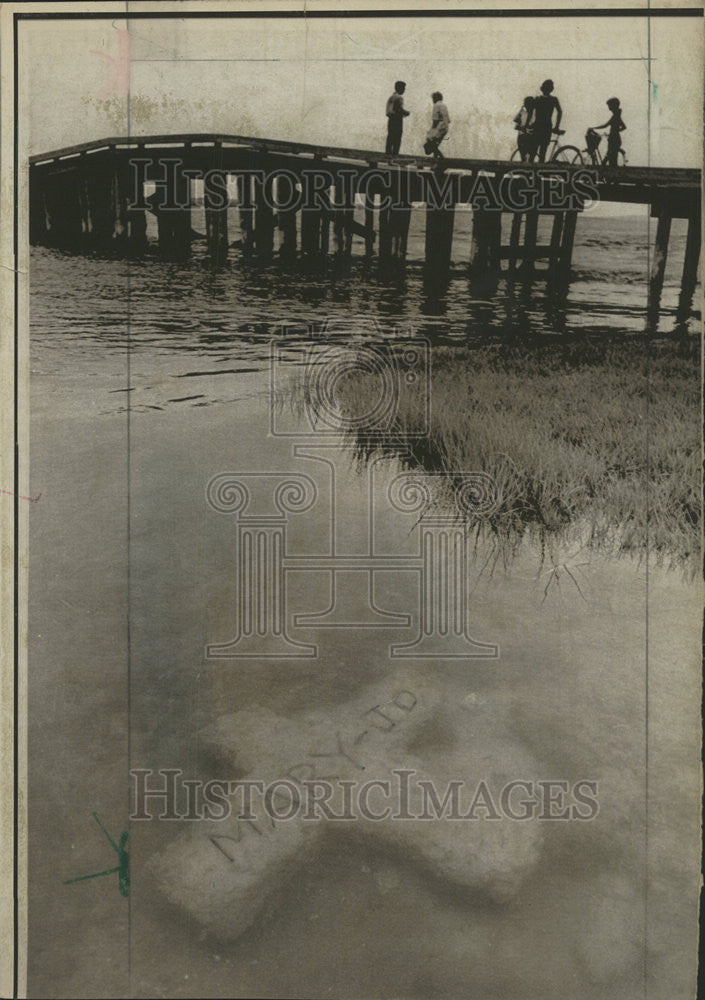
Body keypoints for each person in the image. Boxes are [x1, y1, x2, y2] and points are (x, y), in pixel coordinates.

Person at [532, 79, 562, 162]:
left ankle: (531, 172)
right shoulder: (553, 99)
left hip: (539, 126)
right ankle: (537, 173)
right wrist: (556, 126)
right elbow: (560, 112)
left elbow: (530, 111)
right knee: (542, 152)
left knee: (534, 151)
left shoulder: (537, 99)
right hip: (546, 126)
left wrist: (528, 123)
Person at [591, 97, 626, 168]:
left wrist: (593, 128)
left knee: (609, 159)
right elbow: (624, 127)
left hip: (614, 139)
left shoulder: (616, 116)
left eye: (609, 106)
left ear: (613, 106)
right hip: (615, 139)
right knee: (611, 159)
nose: (609, 108)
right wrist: (615, 131)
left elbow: (605, 125)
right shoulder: (617, 115)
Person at [385, 81, 410, 156]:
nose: (404, 90)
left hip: (391, 119)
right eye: (403, 88)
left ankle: (387, 156)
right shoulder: (399, 97)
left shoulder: (391, 97)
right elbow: (399, 109)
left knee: (390, 138)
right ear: (400, 88)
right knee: (397, 140)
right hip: (397, 120)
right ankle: (394, 157)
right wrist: (407, 113)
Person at [424, 91, 450, 160]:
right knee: (435, 145)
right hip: (445, 128)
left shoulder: (436, 105)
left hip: (439, 127)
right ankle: (436, 160)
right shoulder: (444, 105)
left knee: (430, 144)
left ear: (435, 98)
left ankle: (442, 159)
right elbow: (449, 120)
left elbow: (435, 121)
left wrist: (431, 131)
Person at [513, 96, 537, 162]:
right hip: (523, 137)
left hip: (529, 137)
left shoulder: (534, 115)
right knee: (525, 157)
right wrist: (521, 110)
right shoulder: (523, 113)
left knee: (529, 158)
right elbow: (515, 122)